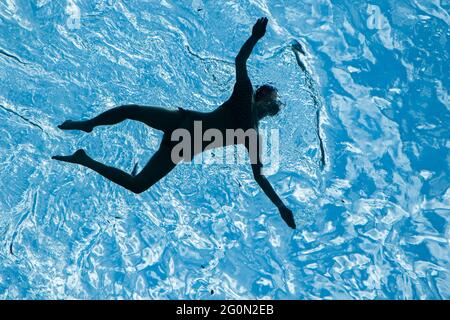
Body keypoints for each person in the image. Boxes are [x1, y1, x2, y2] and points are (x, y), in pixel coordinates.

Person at [53, 17, 296, 229]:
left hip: (180, 149)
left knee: (137, 186)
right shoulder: (245, 95)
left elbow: (260, 177)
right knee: (131, 110)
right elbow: (240, 61)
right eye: (273, 101)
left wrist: (281, 206)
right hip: (182, 122)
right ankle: (89, 123)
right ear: (261, 97)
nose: (275, 106)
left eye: (276, 106)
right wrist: (254, 38)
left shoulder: (254, 137)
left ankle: (84, 159)